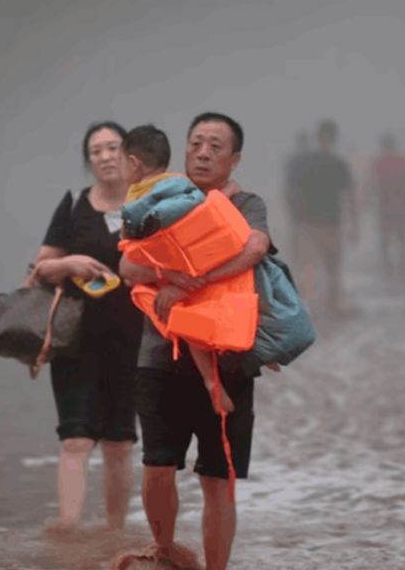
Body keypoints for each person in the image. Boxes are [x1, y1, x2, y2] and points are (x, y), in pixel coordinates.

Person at [120, 112, 272, 570]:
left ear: (234, 159)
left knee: (218, 477)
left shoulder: (247, 204)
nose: (203, 153)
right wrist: (171, 277)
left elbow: (255, 249)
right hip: (161, 352)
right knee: (157, 466)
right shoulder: (156, 198)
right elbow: (127, 269)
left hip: (229, 355)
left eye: (215, 146)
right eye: (196, 144)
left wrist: (192, 278)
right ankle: (164, 550)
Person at [26, 121, 144, 530]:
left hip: (132, 341)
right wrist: (68, 263)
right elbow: (40, 267)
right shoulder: (74, 204)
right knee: (75, 438)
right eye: (97, 151)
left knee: (118, 443)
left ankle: (114, 534)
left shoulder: (145, 204)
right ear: (87, 160)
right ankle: (68, 530)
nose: (106, 156)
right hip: (75, 339)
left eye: (113, 148)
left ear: (130, 155)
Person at [291, 120, 358, 317]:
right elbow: (350, 197)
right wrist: (355, 225)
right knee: (331, 267)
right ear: (333, 138)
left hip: (309, 222)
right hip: (329, 223)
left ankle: (311, 306)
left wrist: (295, 219)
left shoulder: (304, 163)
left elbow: (292, 193)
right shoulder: (338, 164)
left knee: (312, 265)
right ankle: (330, 305)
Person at [367, 133, 405, 280]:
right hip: (395, 206)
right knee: (398, 240)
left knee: (390, 240)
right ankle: (398, 268)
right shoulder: (401, 161)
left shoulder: (381, 162)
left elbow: (373, 184)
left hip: (389, 206)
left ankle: (392, 268)